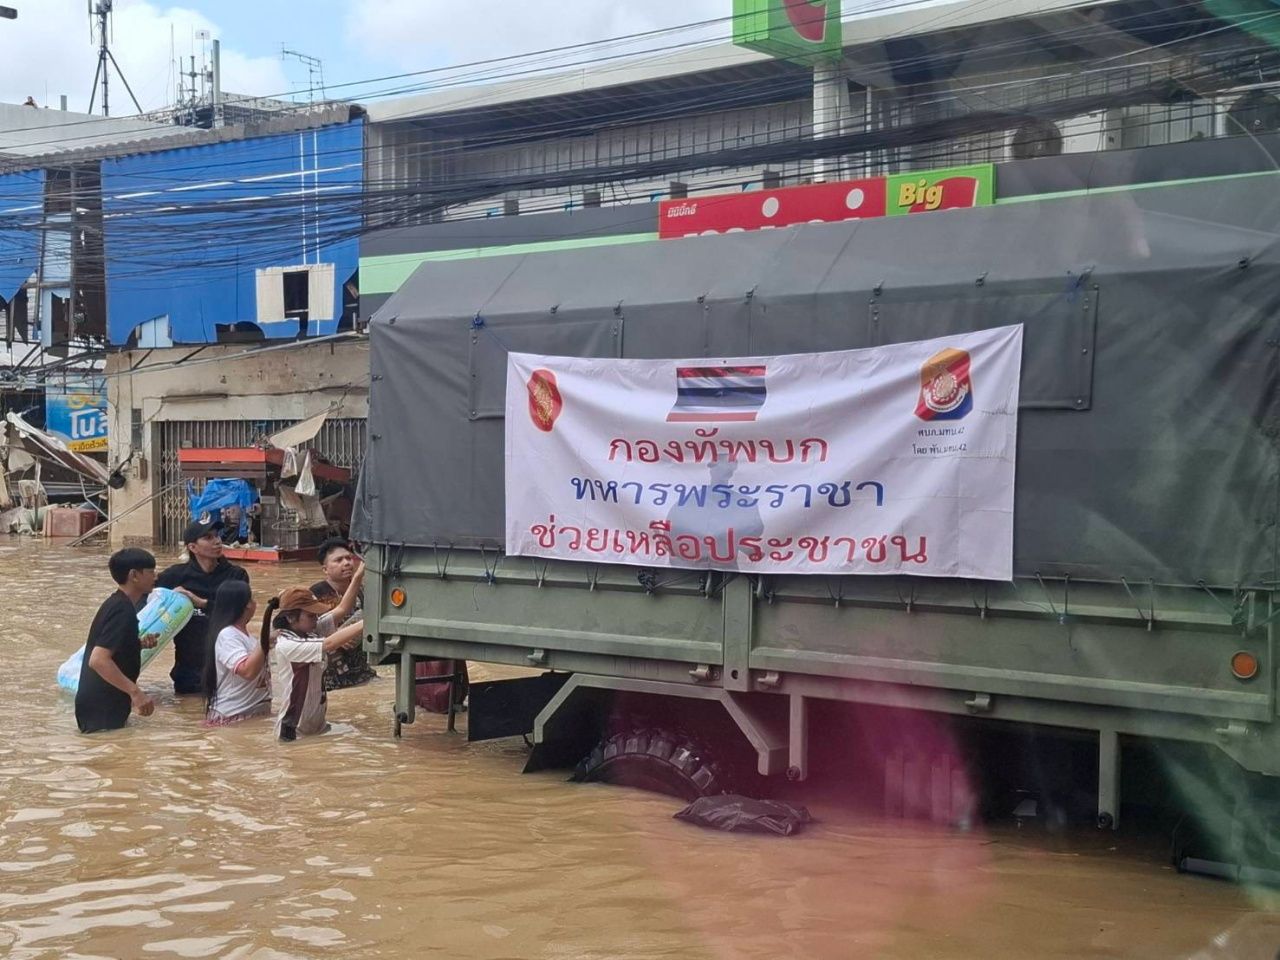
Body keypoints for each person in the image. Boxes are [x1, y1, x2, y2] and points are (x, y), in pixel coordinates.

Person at [157, 517, 250, 695]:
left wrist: (201, 603)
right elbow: (146, 603)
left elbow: (240, 613)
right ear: (193, 547)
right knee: (188, 718)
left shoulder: (236, 576)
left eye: (217, 536)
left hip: (227, 668)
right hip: (188, 671)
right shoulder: (174, 576)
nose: (217, 541)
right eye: (208, 537)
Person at [263, 583, 365, 741]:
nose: (316, 619)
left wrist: (357, 576)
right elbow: (329, 644)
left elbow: (341, 609)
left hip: (316, 726)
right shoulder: (287, 644)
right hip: (293, 732)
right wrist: (367, 622)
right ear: (290, 617)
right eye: (311, 615)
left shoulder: (310, 632)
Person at [75, 548, 159, 733]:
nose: (156, 576)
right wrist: (135, 692)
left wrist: (137, 644)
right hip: (102, 705)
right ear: (134, 575)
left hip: (101, 703)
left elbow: (109, 648)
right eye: (151, 571)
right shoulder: (122, 610)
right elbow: (98, 660)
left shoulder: (117, 604)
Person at [310, 537, 377, 690]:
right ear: (325, 569)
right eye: (338, 560)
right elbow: (306, 634)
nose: (346, 563)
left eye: (349, 558)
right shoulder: (315, 595)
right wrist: (338, 635)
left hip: (362, 671)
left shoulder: (363, 591)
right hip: (331, 677)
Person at [201, 581, 271, 725]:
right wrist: (266, 641)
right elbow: (247, 671)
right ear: (247, 605)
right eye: (252, 598)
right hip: (233, 716)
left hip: (251, 714)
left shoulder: (248, 638)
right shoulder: (228, 635)